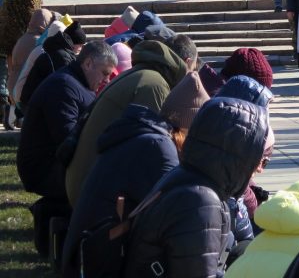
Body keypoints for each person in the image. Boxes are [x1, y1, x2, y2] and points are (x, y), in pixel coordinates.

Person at [61, 72, 208, 278]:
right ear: (186, 128)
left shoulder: (147, 137)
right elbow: (178, 210)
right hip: (98, 261)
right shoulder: (159, 147)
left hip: (90, 253)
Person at [121, 97, 268, 278]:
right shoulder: (201, 201)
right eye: (258, 157)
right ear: (238, 154)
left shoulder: (188, 177)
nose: (259, 168)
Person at [65, 40, 188, 206]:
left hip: (81, 183)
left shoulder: (137, 75)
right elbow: (155, 150)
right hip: (91, 195)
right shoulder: (154, 85)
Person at [16, 40, 116, 200]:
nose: (107, 80)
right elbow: (67, 139)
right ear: (88, 64)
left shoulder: (78, 84)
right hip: (44, 168)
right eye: (105, 73)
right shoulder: (63, 86)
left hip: (53, 163)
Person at [1, 0, 54, 123]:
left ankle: (12, 111)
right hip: (18, 37)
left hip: (10, 36)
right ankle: (15, 111)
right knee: (20, 75)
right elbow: (33, 12)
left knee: (13, 74)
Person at [18, 20, 88, 111]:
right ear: (74, 44)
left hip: (32, 100)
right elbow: (67, 85)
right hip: (36, 104)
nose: (81, 48)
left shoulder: (59, 51)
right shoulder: (62, 57)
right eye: (81, 45)